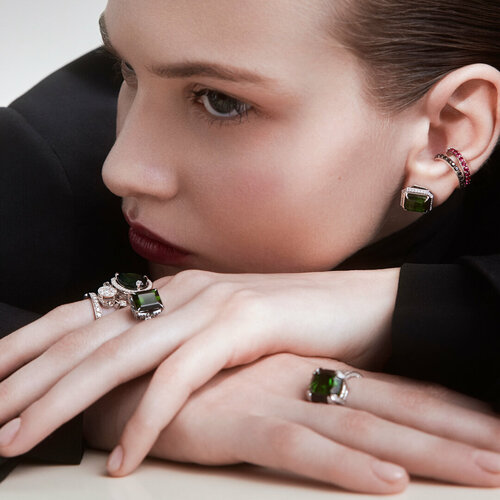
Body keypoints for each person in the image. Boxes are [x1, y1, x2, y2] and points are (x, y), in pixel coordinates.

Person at [1, 0, 499, 494]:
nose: (120, 170)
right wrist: (113, 383)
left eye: (221, 101)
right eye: (125, 70)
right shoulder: (48, 163)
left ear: (445, 135)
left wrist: (390, 304)